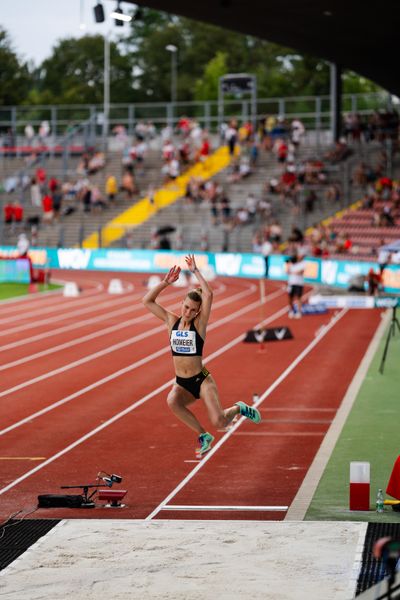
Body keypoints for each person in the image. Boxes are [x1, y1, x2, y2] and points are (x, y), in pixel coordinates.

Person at [142, 254, 261, 457]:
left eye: (192, 310)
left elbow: (209, 295)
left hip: (201, 380)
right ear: (182, 304)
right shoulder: (171, 321)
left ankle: (239, 408)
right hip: (181, 382)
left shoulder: (199, 325)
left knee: (220, 422)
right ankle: (203, 435)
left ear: (198, 312)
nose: (187, 312)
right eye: (186, 307)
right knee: (172, 401)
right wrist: (165, 283)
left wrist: (196, 271)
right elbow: (147, 301)